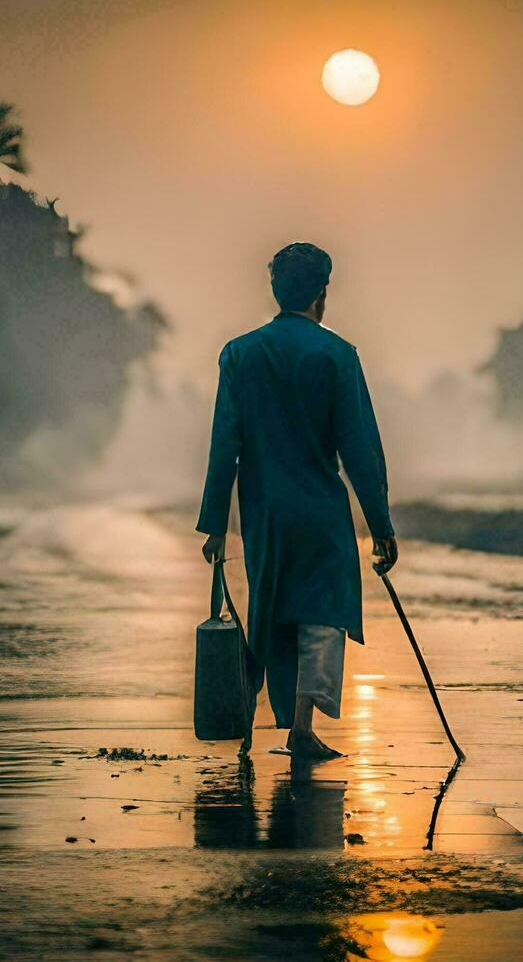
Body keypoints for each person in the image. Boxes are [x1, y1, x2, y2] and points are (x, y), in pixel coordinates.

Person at [197, 242, 397, 761]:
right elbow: (360, 450)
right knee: (321, 614)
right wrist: (380, 525)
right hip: (322, 514)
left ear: (276, 291)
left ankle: (244, 723)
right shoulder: (338, 355)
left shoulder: (239, 353)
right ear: (322, 293)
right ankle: (302, 729)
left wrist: (216, 523)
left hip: (264, 511)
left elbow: (226, 442)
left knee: (268, 611)